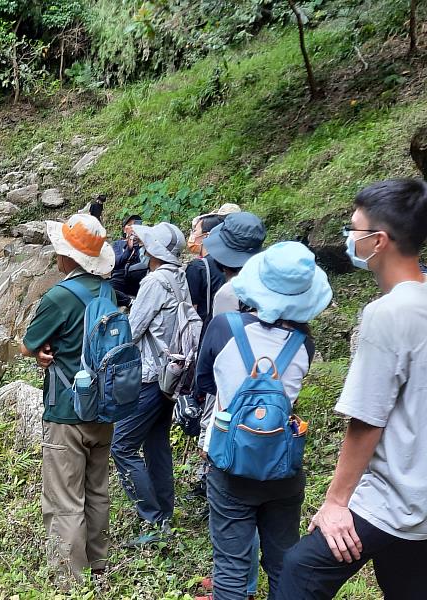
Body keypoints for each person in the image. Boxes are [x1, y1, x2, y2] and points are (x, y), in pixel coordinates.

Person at [279, 179, 427, 599]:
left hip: (391, 498)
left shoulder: (387, 313)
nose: (347, 238)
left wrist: (336, 502)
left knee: (300, 570)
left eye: (353, 229)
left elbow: (367, 419)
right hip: (422, 500)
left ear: (378, 241)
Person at [196, 241, 332, 600]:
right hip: (282, 468)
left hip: (230, 464)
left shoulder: (224, 327)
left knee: (230, 568)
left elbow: (204, 384)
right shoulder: (304, 343)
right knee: (283, 562)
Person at [19, 213, 116, 585]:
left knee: (64, 499)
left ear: (66, 258)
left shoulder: (60, 296)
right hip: (105, 407)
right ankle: (99, 564)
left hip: (67, 410)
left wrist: (43, 351)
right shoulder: (108, 291)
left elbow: (29, 345)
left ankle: (69, 579)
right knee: (96, 489)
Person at [193, 211, 266, 599]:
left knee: (231, 512)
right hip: (270, 413)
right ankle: (242, 580)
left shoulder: (227, 295)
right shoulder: (274, 292)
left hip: (230, 417)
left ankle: (232, 584)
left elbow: (212, 369)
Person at [110, 222, 188, 546]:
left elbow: (133, 329)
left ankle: (153, 521)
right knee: (157, 446)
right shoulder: (180, 276)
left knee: (122, 446)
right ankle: (164, 516)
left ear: (154, 250)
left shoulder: (155, 281)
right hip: (172, 377)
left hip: (149, 377)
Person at [185, 214, 227, 331]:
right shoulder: (229, 264)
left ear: (206, 236)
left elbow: (191, 310)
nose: (192, 235)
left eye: (195, 231)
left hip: (204, 330)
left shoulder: (197, 267)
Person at [110, 214, 146, 307]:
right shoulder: (118, 244)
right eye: (130, 225)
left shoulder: (145, 244)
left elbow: (146, 263)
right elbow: (116, 262)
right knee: (107, 290)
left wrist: (141, 244)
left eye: (136, 225)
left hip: (136, 278)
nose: (133, 228)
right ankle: (129, 302)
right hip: (119, 278)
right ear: (124, 229)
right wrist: (128, 249)